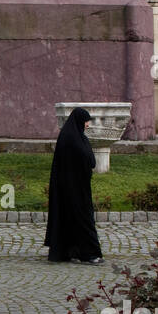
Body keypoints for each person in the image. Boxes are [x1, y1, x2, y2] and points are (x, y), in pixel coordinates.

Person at [44, 107, 104, 264]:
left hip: (76, 187)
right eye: (86, 121)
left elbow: (88, 160)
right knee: (83, 220)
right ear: (79, 121)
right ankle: (90, 254)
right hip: (73, 189)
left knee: (74, 219)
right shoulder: (70, 138)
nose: (88, 125)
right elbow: (85, 159)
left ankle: (72, 251)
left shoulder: (75, 137)